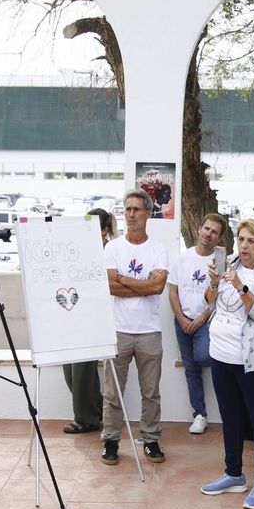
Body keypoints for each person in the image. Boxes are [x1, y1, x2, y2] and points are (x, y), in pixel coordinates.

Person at [199, 218, 254, 509]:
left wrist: (239, 285)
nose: (244, 246)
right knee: (230, 417)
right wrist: (214, 283)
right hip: (221, 355)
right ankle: (233, 473)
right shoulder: (229, 263)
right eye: (241, 239)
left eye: (251, 241)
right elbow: (209, 302)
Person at [101, 189, 171, 465]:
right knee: (113, 392)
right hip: (118, 330)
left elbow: (158, 288)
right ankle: (111, 441)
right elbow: (109, 286)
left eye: (136, 209)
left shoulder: (158, 249)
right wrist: (143, 285)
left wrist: (122, 279)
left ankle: (151, 440)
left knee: (151, 392)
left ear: (147, 213)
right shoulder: (113, 248)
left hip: (149, 331)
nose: (131, 215)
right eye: (127, 209)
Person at [170, 212, 225, 435]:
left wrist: (202, 318)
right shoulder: (182, 258)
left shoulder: (219, 263)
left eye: (214, 232)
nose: (209, 234)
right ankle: (199, 414)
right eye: (207, 229)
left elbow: (220, 297)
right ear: (199, 228)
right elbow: (172, 292)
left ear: (219, 237)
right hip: (182, 321)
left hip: (207, 322)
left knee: (203, 357)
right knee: (191, 370)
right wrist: (181, 318)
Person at [61, 208, 113, 435]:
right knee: (72, 372)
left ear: (103, 230)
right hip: (74, 315)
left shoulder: (108, 251)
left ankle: (86, 418)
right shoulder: (79, 250)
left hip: (94, 318)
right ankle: (96, 411)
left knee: (82, 372)